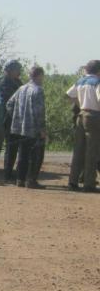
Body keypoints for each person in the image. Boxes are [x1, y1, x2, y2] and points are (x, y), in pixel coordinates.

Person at [6, 65, 46, 189]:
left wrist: (17, 118)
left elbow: (9, 104)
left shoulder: (21, 88)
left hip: (19, 128)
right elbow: (39, 112)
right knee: (36, 154)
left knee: (22, 154)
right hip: (33, 128)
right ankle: (31, 180)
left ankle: (20, 179)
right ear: (39, 76)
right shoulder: (38, 90)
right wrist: (42, 129)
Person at [67, 59, 100, 192]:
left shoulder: (80, 81)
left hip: (81, 115)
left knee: (78, 150)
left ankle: (73, 182)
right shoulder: (97, 82)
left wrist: (80, 104)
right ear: (98, 71)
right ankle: (89, 183)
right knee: (92, 151)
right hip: (94, 116)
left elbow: (69, 96)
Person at [0, 60, 23, 182]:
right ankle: (7, 174)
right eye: (16, 69)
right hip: (9, 118)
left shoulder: (17, 82)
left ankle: (16, 171)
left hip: (18, 118)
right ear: (10, 70)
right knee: (11, 146)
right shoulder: (5, 83)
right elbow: (8, 102)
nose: (19, 72)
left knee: (18, 146)